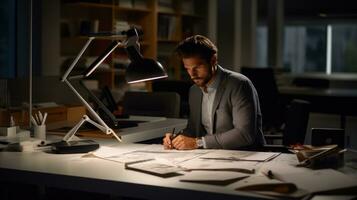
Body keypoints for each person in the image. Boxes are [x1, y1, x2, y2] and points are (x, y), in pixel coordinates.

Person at [163, 35, 265, 150]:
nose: (192, 74)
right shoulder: (194, 90)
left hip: (245, 156)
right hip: (211, 157)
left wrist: (199, 143)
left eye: (198, 67)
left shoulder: (239, 84)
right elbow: (193, 130)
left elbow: (244, 134)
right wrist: (177, 139)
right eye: (188, 68)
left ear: (213, 60)